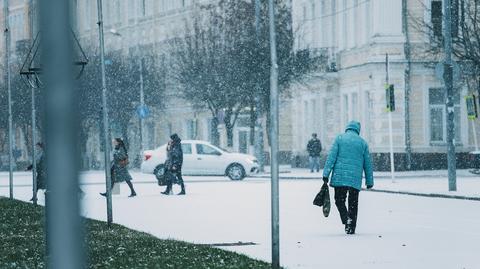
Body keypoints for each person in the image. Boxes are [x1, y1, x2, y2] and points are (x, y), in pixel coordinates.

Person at [322, 121, 374, 235]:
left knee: (339, 200)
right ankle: (351, 227)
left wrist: (326, 174)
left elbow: (331, 157)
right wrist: (369, 181)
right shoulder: (362, 143)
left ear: (347, 128)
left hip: (340, 177)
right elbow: (368, 164)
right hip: (355, 179)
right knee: (353, 203)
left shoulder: (339, 139)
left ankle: (346, 219)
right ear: (357, 130)